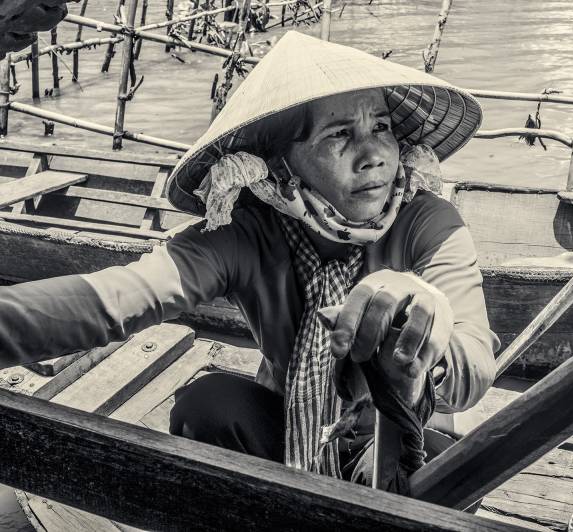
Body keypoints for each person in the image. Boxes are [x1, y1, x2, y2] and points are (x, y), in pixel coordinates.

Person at [0, 31, 498, 489]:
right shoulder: (247, 231)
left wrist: (422, 333)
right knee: (208, 405)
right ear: (280, 163)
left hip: (406, 432)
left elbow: (473, 366)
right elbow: (114, 298)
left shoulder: (428, 221)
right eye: (339, 135)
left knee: (452, 470)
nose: (373, 155)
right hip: (295, 428)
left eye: (381, 127)